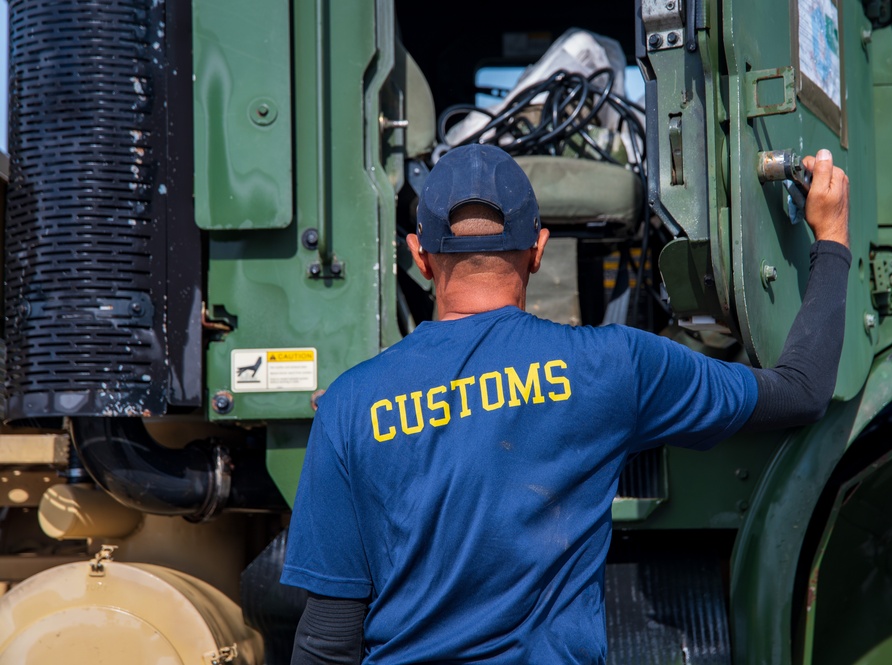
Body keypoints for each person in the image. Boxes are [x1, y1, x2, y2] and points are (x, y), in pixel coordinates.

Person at [281, 143, 851, 664]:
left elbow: (328, 638)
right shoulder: (613, 366)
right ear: (538, 249)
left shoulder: (348, 407)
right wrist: (831, 241)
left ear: (419, 256)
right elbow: (801, 389)